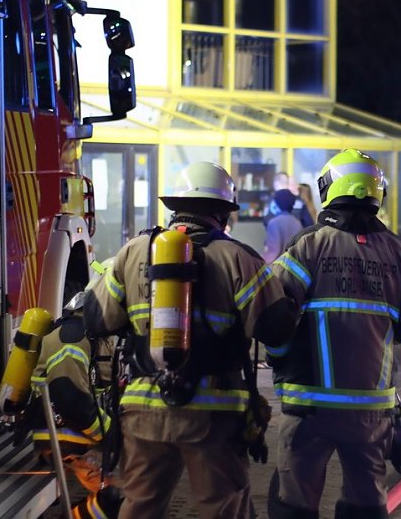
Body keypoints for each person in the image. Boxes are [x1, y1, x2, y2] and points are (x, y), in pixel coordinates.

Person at [84, 161, 297, 518]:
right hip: (213, 414)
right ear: (222, 212)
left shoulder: (133, 251)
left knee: (139, 507)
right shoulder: (239, 259)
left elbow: (96, 319)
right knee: (224, 509)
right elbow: (277, 329)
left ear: (175, 207)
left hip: (143, 411)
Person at [267, 149, 401, 519]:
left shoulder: (307, 246)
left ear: (328, 188)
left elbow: (272, 314)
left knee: (292, 504)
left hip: (309, 406)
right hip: (372, 411)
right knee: (366, 505)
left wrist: (277, 356)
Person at [26, 291, 118, 495]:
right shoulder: (71, 339)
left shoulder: (83, 335)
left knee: (118, 490)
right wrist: (109, 433)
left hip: (68, 433)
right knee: (112, 495)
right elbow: (71, 401)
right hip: (65, 436)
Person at [264, 189, 304, 263]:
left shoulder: (274, 223)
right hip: (294, 267)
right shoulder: (297, 223)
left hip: (278, 268)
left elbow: (273, 251)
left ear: (277, 203)